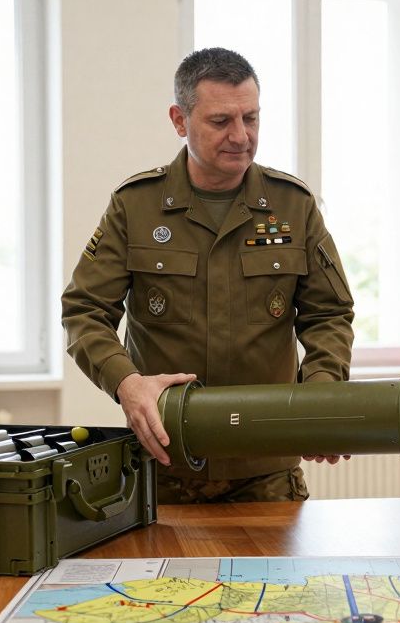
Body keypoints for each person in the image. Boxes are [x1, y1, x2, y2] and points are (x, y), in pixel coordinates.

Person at [62, 47, 355, 503]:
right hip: (162, 468)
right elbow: (84, 311)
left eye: (251, 119)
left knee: (276, 579)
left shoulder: (292, 205)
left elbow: (329, 314)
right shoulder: (135, 206)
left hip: (267, 470)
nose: (241, 136)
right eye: (221, 121)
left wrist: (321, 395)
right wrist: (127, 384)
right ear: (180, 120)